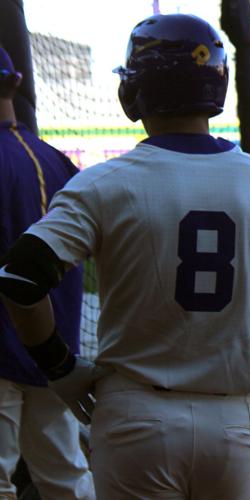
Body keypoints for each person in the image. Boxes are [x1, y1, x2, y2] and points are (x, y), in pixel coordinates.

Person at [0, 14, 250, 499]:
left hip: (135, 417)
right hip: (233, 424)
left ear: (134, 90)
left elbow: (21, 278)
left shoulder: (103, 184)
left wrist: (61, 369)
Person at [0, 46, 95, 500]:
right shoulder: (56, 160)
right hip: (54, 353)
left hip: (1, 352)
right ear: (16, 83)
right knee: (66, 480)